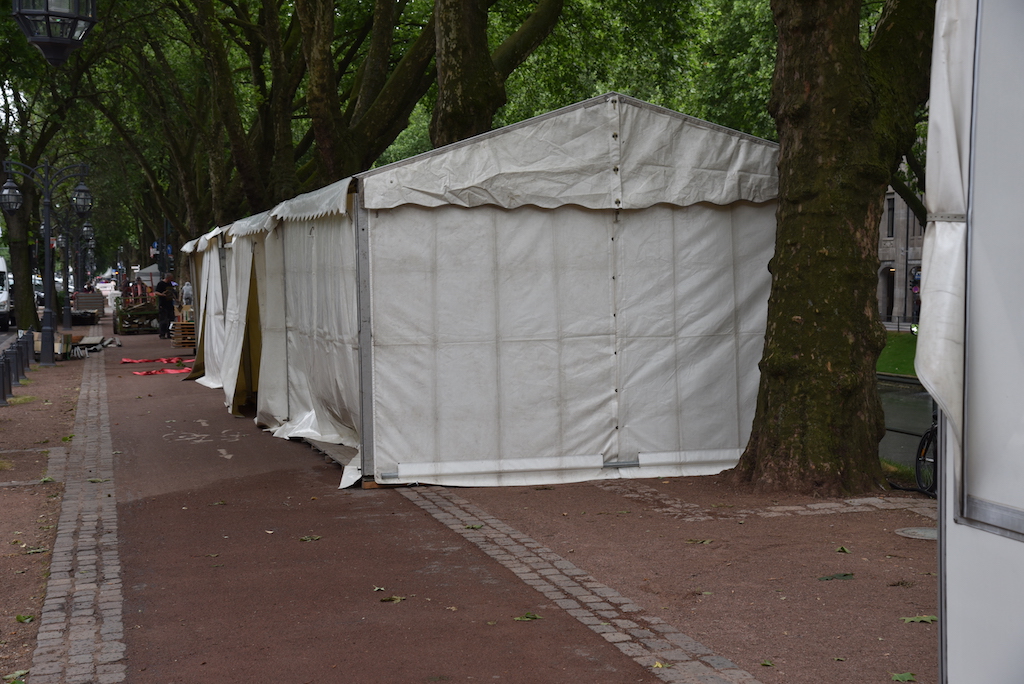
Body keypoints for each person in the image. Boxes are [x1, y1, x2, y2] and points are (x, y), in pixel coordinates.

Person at [154, 272, 176, 339]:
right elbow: (156, 292)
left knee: (171, 319)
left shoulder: (170, 284)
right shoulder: (160, 284)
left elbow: (172, 292)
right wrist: (162, 295)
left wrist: (175, 298)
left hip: (170, 304)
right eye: (171, 278)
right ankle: (162, 334)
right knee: (163, 319)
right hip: (163, 304)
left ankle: (170, 333)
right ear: (168, 278)